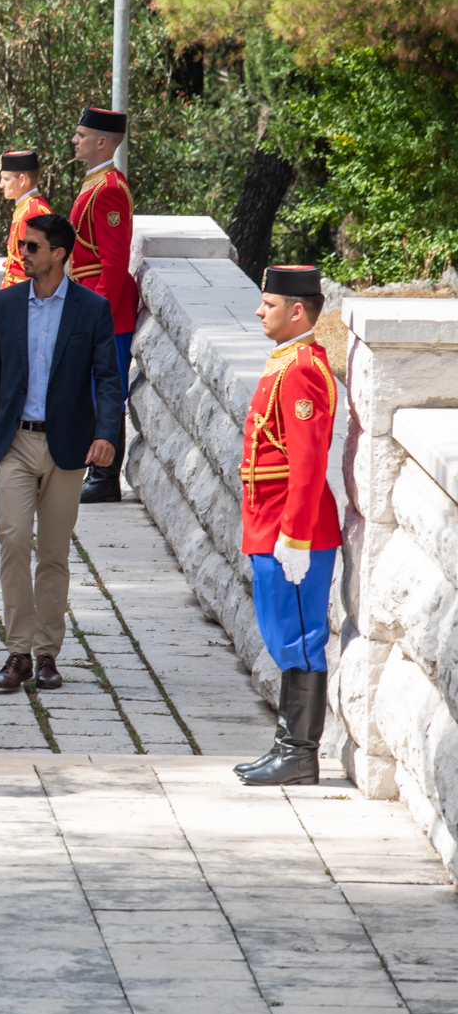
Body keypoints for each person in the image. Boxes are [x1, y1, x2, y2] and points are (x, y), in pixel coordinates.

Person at [0, 214, 122, 695]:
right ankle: (18, 652)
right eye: (22, 245)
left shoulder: (92, 308)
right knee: (13, 540)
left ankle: (47, 653)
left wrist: (107, 435)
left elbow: (108, 379)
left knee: (54, 553)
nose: (23, 254)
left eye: (32, 246)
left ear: (58, 253)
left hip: (67, 446)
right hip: (14, 441)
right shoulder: (6, 303)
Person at [234, 266, 341, 787]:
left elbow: (308, 460)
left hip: (292, 532)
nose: (260, 311)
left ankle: (299, 754)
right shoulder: (286, 361)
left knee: (299, 638)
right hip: (270, 523)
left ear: (297, 311)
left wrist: (295, 537)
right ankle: (286, 746)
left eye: (269, 303)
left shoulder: (300, 370)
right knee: (282, 636)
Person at [68, 107, 138, 503]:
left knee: (107, 393)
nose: (74, 141)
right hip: (91, 299)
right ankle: (95, 470)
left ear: (101, 142)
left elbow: (113, 262)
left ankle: (105, 477)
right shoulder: (95, 182)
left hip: (106, 308)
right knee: (94, 391)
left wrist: (98, 315)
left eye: (80, 135)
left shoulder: (108, 188)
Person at [0, 150, 51, 287]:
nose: (1, 185)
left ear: (22, 180)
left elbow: (35, 267)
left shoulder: (33, 212)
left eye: (6, 179)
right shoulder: (26, 208)